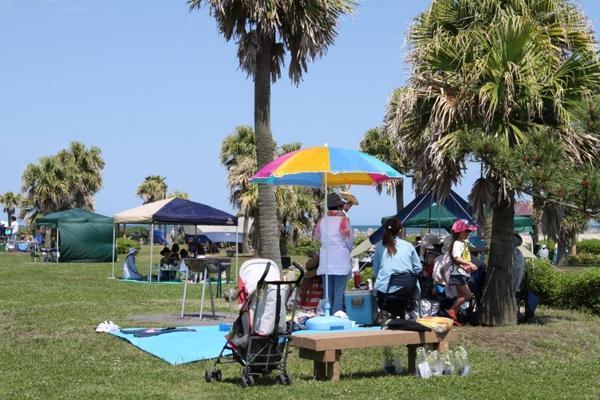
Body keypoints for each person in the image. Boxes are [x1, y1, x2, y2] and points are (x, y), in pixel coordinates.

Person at [315, 192, 353, 315]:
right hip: (340, 261)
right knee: (339, 293)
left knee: (327, 293)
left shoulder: (322, 221)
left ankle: (327, 316)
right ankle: (336, 317)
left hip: (325, 261)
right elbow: (349, 242)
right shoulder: (344, 221)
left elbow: (318, 238)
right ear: (339, 207)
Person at [372, 218, 422, 307]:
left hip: (385, 293)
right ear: (400, 230)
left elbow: (376, 271)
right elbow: (418, 268)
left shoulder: (379, 247)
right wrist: (407, 276)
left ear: (385, 230)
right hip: (407, 290)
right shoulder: (408, 246)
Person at [446, 219, 478, 325]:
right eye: (466, 231)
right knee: (468, 295)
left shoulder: (463, 243)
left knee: (460, 297)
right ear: (459, 232)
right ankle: (451, 310)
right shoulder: (457, 243)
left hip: (463, 274)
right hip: (458, 274)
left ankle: (453, 318)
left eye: (469, 231)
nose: (468, 233)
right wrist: (470, 264)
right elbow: (457, 257)